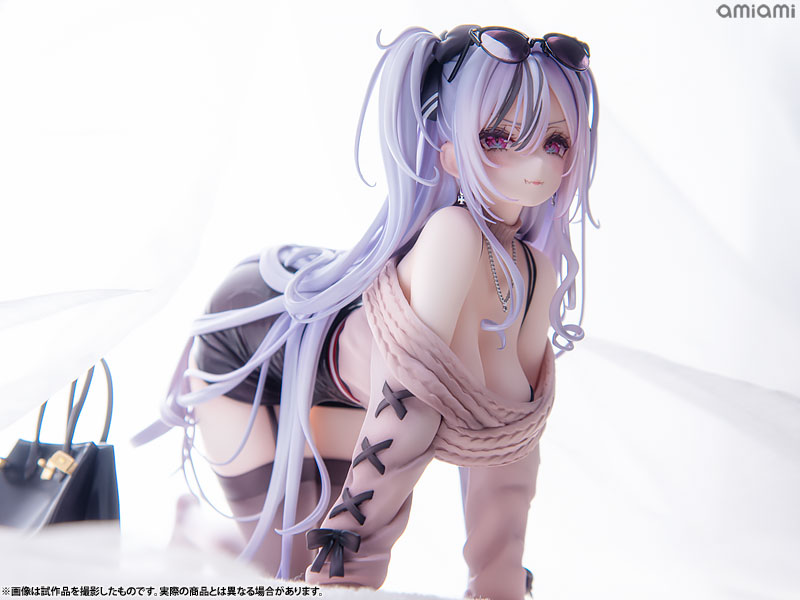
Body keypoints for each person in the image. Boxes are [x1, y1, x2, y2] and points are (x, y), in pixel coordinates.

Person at [136, 24, 598, 600]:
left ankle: (232, 541)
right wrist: (351, 568)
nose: (538, 163)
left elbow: (512, 442)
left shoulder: (535, 273)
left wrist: (498, 579)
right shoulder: (451, 235)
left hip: (340, 388)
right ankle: (197, 532)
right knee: (286, 574)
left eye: (556, 142)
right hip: (251, 343)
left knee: (294, 562)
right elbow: (409, 403)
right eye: (502, 137)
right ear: (450, 150)